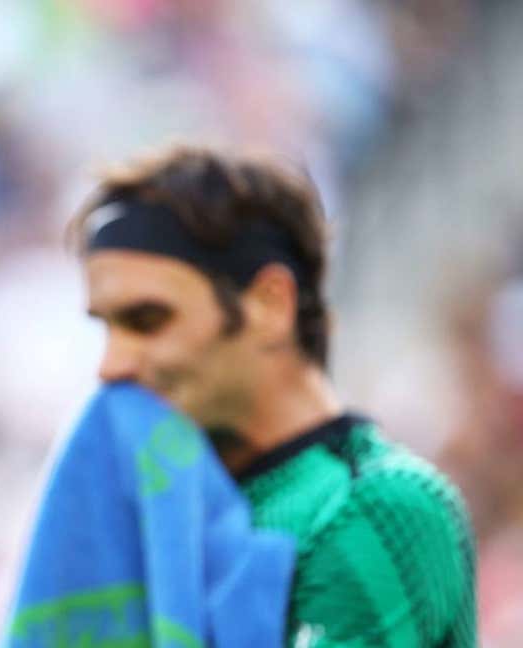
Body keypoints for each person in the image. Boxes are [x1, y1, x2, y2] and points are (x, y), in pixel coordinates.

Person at [70, 146, 476, 646]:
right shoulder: (170, 515)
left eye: (148, 320)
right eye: (106, 328)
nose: (111, 366)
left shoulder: (372, 506)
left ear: (269, 305)